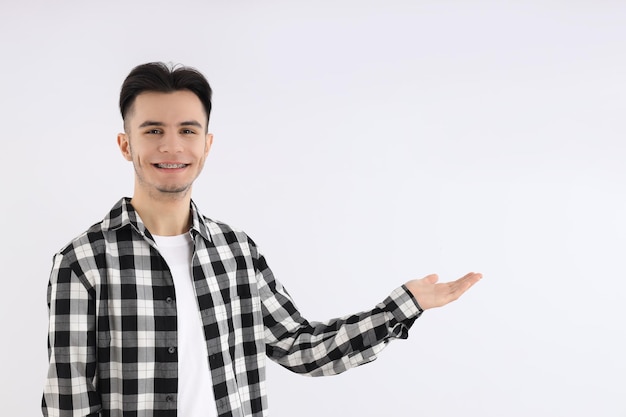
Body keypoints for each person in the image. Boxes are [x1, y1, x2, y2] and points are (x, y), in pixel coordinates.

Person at [42, 62, 482, 417]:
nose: (172, 146)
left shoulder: (236, 252)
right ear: (125, 144)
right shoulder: (83, 262)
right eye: (153, 130)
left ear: (207, 143)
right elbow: (70, 401)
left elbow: (302, 348)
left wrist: (403, 305)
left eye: (188, 130)